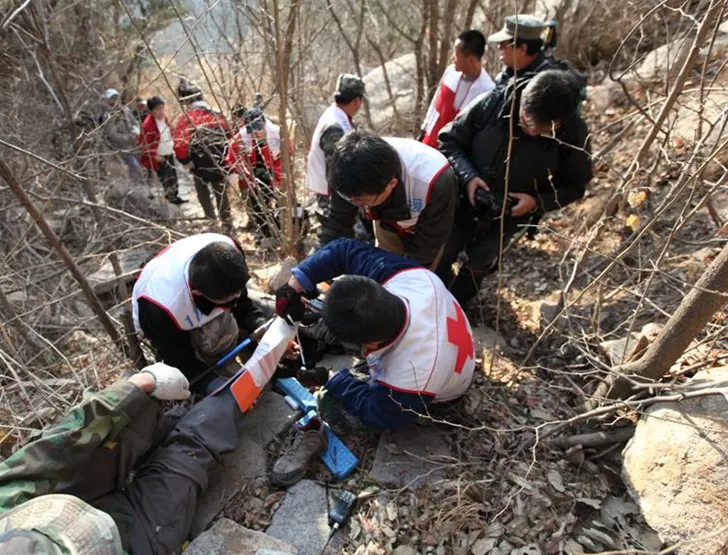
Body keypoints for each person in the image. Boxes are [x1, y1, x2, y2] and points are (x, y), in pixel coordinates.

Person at [270, 239, 475, 485]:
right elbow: (344, 250)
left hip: (439, 394)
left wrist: (331, 379)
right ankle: (316, 327)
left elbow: (378, 415)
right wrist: (294, 286)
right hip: (442, 346)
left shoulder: (409, 375)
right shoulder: (411, 278)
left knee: (331, 403)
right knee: (336, 317)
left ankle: (316, 432)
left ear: (369, 347)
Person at [0, 362, 247, 555]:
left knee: (138, 411)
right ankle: (235, 395)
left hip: (52, 502)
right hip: (128, 540)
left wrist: (135, 387)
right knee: (189, 451)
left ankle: (169, 420)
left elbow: (50, 454)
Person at [436, 69, 592, 304]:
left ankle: (456, 305)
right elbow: (449, 141)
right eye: (526, 121)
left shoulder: (574, 135)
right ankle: (431, 297)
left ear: (560, 122)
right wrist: (468, 176)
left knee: (479, 264)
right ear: (522, 102)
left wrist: (536, 203)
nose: (532, 132)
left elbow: (575, 187)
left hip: (507, 217)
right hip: (461, 201)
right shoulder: (492, 104)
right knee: (442, 252)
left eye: (542, 130)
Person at [131, 233, 269, 392]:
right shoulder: (159, 308)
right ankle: (221, 368)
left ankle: (248, 353)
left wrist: (263, 331)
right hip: (166, 325)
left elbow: (242, 304)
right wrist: (215, 386)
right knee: (214, 338)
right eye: (228, 301)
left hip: (189, 300)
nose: (236, 301)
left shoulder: (229, 253)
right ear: (198, 293)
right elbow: (179, 360)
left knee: (248, 316)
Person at [320, 130, 458, 270]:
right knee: (383, 265)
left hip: (430, 221)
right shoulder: (345, 169)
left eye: (362, 201)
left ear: (391, 184)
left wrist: (410, 274)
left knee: (422, 271)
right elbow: (337, 222)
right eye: (350, 199)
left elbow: (427, 246)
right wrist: (317, 265)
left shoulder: (435, 180)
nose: (356, 204)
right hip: (385, 215)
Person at [306, 74, 368, 244]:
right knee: (336, 239)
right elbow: (337, 170)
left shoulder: (338, 117)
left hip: (335, 193)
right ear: (357, 101)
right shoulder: (335, 126)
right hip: (334, 197)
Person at [419, 30, 495, 148]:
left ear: (470, 60)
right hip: (429, 142)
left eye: (456, 55)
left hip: (452, 151)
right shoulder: (451, 72)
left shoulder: (487, 90)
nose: (452, 58)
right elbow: (435, 103)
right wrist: (423, 130)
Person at [172, 79, 232, 224]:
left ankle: (211, 220)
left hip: (198, 162)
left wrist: (185, 161)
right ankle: (227, 222)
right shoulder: (217, 113)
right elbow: (230, 136)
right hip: (220, 160)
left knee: (202, 191)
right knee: (221, 192)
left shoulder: (186, 118)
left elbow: (180, 143)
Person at [226, 106, 283, 245]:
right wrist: (243, 171)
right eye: (253, 130)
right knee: (259, 207)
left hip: (278, 174)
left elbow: (288, 153)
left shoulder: (277, 133)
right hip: (256, 177)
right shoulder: (242, 137)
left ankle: (285, 232)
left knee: (283, 205)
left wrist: (278, 176)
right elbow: (231, 157)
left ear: (264, 122)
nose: (257, 133)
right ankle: (266, 234)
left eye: (259, 128)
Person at [488, 14, 586, 92]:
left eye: (503, 44)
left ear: (522, 49)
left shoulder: (548, 84)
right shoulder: (509, 72)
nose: (499, 47)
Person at [139, 96, 186, 204]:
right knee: (166, 177)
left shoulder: (165, 119)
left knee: (173, 176)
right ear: (152, 111)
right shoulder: (148, 124)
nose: (160, 112)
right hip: (159, 155)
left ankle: (174, 195)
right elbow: (144, 143)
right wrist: (154, 156)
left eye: (161, 108)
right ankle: (170, 197)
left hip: (168, 152)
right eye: (157, 109)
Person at [102, 88, 145, 183]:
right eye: (112, 99)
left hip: (134, 145)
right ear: (107, 100)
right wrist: (128, 138)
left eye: (116, 98)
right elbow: (112, 135)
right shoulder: (108, 116)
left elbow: (135, 123)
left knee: (139, 166)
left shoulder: (126, 110)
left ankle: (138, 185)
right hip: (121, 148)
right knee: (134, 166)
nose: (114, 101)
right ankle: (136, 187)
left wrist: (136, 132)